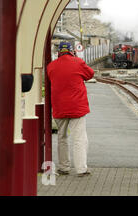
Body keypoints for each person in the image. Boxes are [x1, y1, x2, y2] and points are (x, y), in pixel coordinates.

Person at [47, 41, 94, 177]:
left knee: (62, 137)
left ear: (59, 52)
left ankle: (63, 167)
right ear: (72, 51)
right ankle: (81, 169)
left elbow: (50, 79)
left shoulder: (51, 66)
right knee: (79, 138)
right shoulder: (78, 62)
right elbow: (90, 74)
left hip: (59, 107)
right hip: (77, 107)